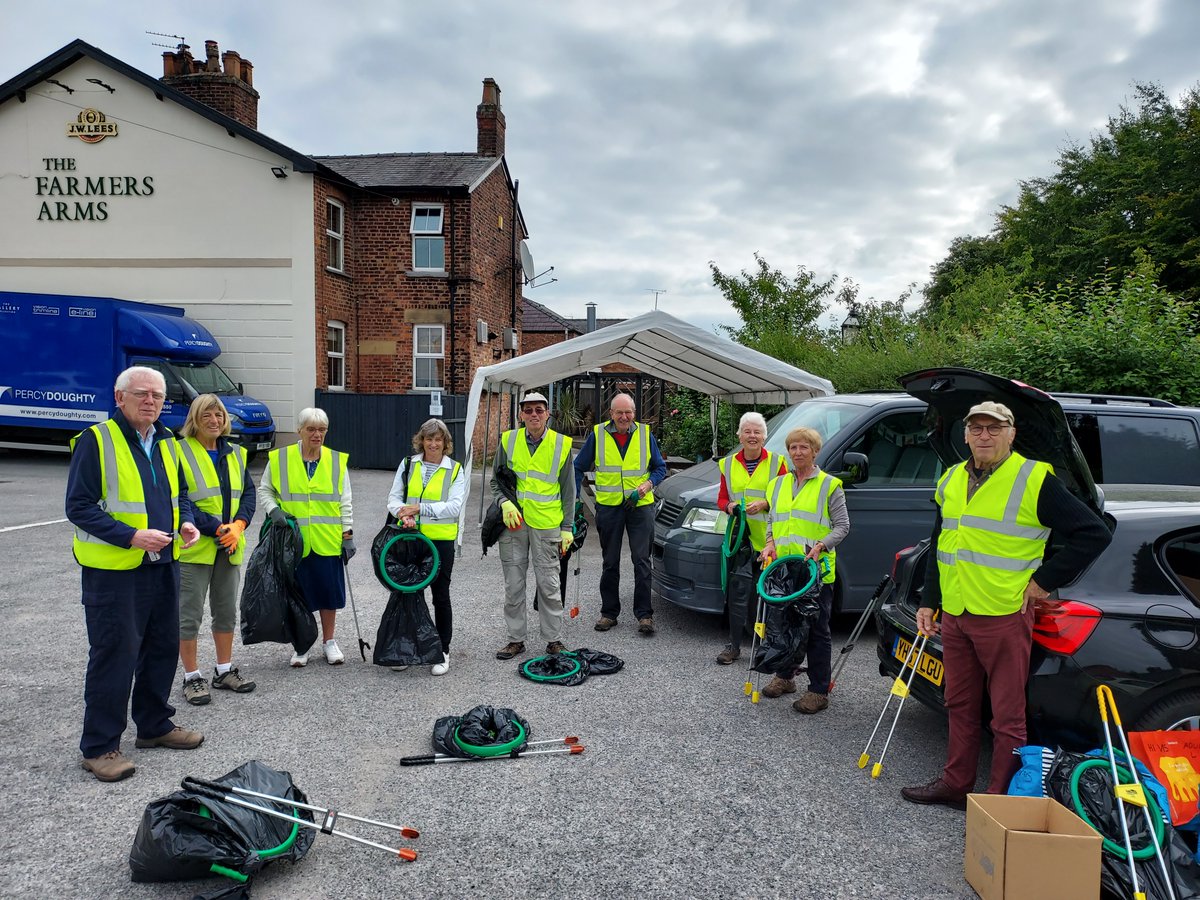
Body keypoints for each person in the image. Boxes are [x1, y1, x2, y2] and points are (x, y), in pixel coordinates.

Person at [901, 401, 1110, 809]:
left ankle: (998, 799)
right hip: (957, 613)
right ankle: (956, 784)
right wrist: (929, 601)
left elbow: (1093, 532)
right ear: (965, 435)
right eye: (976, 428)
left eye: (994, 429)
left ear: (1011, 434)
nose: (984, 436)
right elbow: (943, 541)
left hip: (1003, 614)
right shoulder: (950, 479)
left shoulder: (1033, 478)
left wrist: (1044, 582)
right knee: (958, 703)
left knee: (1007, 715)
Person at [65, 365, 204, 782]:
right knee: (115, 653)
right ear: (119, 396)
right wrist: (130, 536)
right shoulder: (97, 440)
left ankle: (154, 725)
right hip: (115, 570)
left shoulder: (165, 441)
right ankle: (100, 746)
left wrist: (187, 522)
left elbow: (178, 494)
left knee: (162, 646)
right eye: (141, 393)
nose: (150, 402)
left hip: (163, 562)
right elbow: (79, 506)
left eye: (158, 396)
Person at [759, 426, 849, 711]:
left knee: (817, 630)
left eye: (804, 448)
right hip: (785, 571)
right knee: (785, 627)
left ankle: (819, 690)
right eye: (793, 447)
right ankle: (785, 677)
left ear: (815, 451)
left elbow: (843, 526)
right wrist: (769, 543)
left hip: (815, 572)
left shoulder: (829, 485)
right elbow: (773, 520)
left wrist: (821, 545)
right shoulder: (777, 484)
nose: (798, 452)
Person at [175, 394, 257, 705]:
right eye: (207, 415)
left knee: (225, 612)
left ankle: (223, 670)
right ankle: (191, 677)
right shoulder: (179, 452)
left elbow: (247, 494)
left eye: (219, 416)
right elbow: (180, 498)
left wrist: (238, 526)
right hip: (196, 546)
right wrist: (216, 528)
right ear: (194, 419)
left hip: (229, 544)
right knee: (189, 615)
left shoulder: (235, 453)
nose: (214, 421)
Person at [258, 407, 354, 667]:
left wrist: (348, 535)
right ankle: (301, 644)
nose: (317, 434)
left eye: (321, 430)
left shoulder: (336, 461)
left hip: (326, 539)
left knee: (328, 594)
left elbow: (345, 501)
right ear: (300, 430)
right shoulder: (280, 459)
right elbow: (265, 490)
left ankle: (329, 642)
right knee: (298, 594)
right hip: (293, 541)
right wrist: (274, 510)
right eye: (311, 429)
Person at [573, 393, 668, 635]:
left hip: (640, 506)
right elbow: (578, 466)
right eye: (619, 413)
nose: (624, 417)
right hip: (609, 507)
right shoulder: (598, 434)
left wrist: (647, 485)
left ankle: (644, 615)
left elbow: (659, 468)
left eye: (628, 412)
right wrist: (575, 500)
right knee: (610, 562)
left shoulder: (646, 435)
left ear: (634, 414)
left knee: (642, 561)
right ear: (611, 414)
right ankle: (609, 613)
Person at [492, 391, 576, 660]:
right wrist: (504, 502)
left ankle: (554, 640)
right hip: (514, 523)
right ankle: (516, 639)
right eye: (528, 410)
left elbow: (568, 490)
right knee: (514, 586)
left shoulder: (561, 445)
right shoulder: (508, 440)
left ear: (548, 413)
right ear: (520, 414)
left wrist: (568, 527)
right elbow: (496, 480)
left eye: (539, 410)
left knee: (549, 586)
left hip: (547, 525)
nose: (534, 415)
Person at [387, 418, 465, 676]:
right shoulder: (408, 464)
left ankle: (442, 650)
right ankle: (410, 648)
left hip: (441, 541)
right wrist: (403, 514)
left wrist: (421, 509)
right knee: (410, 595)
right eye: (428, 439)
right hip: (411, 539)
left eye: (438, 439)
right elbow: (394, 499)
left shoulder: (455, 469)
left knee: (440, 596)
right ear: (421, 440)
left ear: (445, 443)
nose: (433, 444)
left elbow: (455, 506)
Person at [714, 412, 788, 665]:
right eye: (748, 431)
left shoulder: (777, 463)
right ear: (740, 435)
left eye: (757, 432)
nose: (752, 436)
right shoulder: (727, 464)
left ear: (765, 437)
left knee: (765, 595)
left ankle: (765, 647)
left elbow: (786, 498)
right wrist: (730, 507)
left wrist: (766, 503)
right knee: (736, 594)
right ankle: (734, 645)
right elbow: (722, 499)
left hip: (769, 540)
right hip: (739, 539)